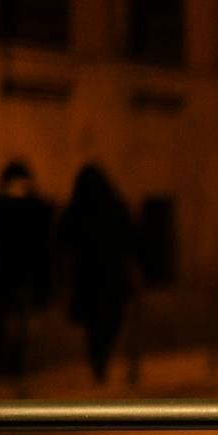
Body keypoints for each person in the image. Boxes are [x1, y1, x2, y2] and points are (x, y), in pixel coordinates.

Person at [56, 164, 138, 384]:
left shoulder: (83, 208)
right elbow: (131, 235)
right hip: (105, 276)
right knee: (106, 321)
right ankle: (100, 360)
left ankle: (99, 359)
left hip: (95, 277)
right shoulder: (111, 205)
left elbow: (64, 238)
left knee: (101, 323)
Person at [0, 162, 53, 386]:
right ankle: (25, 365)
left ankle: (18, 366)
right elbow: (43, 240)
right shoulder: (36, 204)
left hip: (8, 271)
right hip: (32, 272)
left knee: (12, 321)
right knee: (29, 322)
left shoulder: (0, 204)